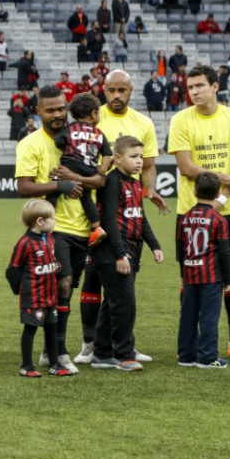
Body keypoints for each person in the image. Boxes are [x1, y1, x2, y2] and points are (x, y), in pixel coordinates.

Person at [73, 70, 167, 365]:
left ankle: (106, 347)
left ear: (130, 90)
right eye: (111, 90)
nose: (116, 95)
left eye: (121, 90)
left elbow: (148, 170)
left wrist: (150, 192)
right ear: (104, 90)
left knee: (116, 296)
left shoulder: (143, 124)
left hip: (125, 233)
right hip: (96, 224)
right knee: (103, 288)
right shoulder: (93, 118)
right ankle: (100, 347)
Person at [15, 85, 106, 374]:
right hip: (52, 230)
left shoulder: (83, 138)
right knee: (63, 284)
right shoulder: (30, 144)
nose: (57, 114)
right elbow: (24, 187)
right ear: (38, 111)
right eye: (50, 110)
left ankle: (48, 349)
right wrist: (59, 185)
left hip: (82, 229)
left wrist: (75, 178)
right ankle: (60, 351)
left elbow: (100, 180)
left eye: (61, 109)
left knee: (66, 289)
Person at [168, 64, 230, 360]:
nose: (193, 92)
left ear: (215, 86)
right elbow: (186, 168)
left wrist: (221, 199)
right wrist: (225, 180)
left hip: (227, 211)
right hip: (190, 212)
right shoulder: (180, 120)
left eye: (199, 86)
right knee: (190, 277)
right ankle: (190, 344)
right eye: (190, 87)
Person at [87, 136, 163, 372]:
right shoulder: (112, 182)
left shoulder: (136, 183)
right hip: (113, 250)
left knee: (113, 301)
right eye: (133, 156)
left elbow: (140, 217)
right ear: (118, 158)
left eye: (141, 156)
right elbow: (109, 219)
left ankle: (102, 353)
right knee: (125, 303)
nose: (139, 161)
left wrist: (154, 245)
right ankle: (125, 354)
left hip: (131, 249)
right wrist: (120, 254)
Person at [176, 172, 230, 369]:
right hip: (211, 276)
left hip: (190, 275)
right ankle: (207, 357)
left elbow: (180, 249)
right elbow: (224, 251)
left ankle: (186, 356)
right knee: (209, 317)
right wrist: (228, 279)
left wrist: (182, 274)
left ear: (194, 192)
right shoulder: (219, 220)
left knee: (188, 315)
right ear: (217, 194)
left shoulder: (184, 218)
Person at [6, 199, 67, 377]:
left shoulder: (50, 239)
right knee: (30, 329)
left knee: (52, 330)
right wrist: (18, 289)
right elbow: (13, 270)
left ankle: (54, 364)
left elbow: (50, 262)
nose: (55, 221)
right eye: (52, 218)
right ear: (40, 221)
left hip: (51, 297)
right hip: (33, 298)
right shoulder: (24, 243)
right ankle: (26, 366)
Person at [46, 92, 112, 247]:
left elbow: (58, 141)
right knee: (86, 197)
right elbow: (107, 155)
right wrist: (101, 170)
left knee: (54, 190)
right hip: (89, 169)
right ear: (93, 113)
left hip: (70, 165)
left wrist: (68, 148)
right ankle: (96, 227)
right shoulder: (99, 133)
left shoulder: (70, 128)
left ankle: (47, 220)